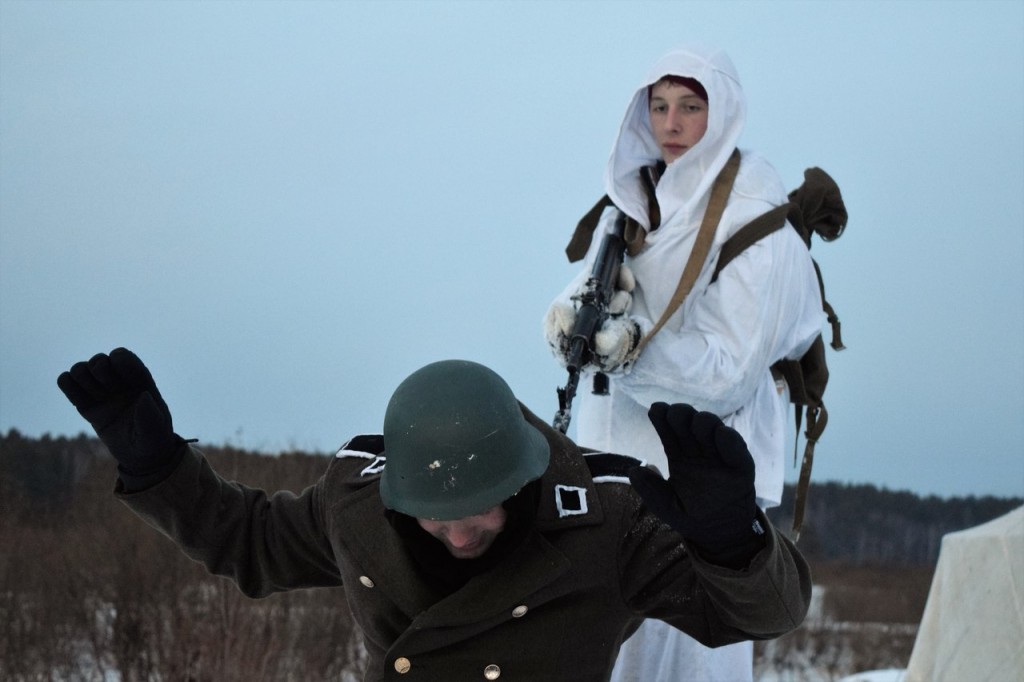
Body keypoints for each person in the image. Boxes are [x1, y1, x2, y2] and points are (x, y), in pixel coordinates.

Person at [57, 347, 810, 681]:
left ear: (520, 483)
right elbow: (250, 542)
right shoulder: (357, 503)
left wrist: (732, 543)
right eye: (433, 518)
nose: (457, 534)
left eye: (478, 513)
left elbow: (764, 615)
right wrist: (160, 470)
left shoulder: (605, 521)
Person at [544, 45, 826, 681]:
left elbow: (729, 375)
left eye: (691, 107)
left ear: (721, 113)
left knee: (696, 662)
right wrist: (568, 326)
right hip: (612, 478)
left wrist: (628, 350)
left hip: (704, 491)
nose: (670, 124)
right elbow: (587, 302)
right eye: (659, 106)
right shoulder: (629, 207)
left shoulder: (760, 226)